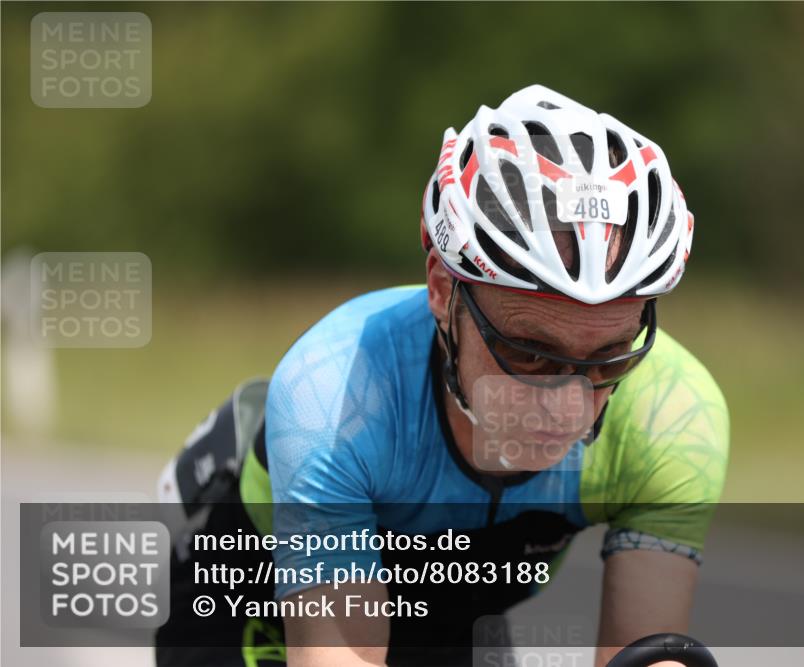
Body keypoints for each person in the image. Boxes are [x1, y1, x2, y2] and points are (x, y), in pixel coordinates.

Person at [155, 84, 729, 667]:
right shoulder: (334, 396)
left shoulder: (674, 415)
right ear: (441, 289)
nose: (568, 406)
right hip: (256, 599)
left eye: (608, 358)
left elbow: (642, 653)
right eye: (529, 353)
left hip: (451, 616)